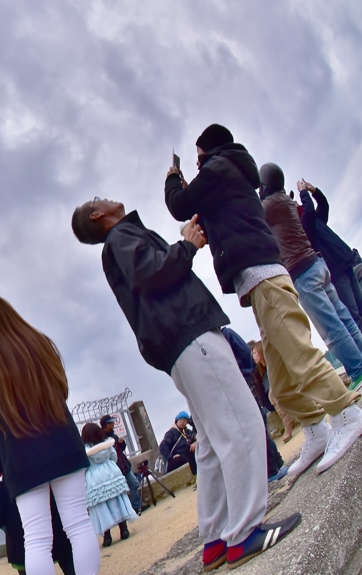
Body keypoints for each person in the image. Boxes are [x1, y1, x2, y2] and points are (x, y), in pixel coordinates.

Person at [70, 191, 299, 571]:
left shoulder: (118, 242)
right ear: (97, 215)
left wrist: (182, 243)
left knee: (210, 441)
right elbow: (152, 273)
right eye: (99, 198)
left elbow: (149, 273)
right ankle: (243, 534)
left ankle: (215, 539)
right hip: (191, 335)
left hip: (180, 345)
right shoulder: (120, 239)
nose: (107, 196)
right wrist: (187, 246)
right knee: (240, 424)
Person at [164, 124, 362, 480]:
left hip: (265, 275)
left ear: (209, 151)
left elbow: (180, 203)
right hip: (257, 279)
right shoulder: (229, 176)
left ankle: (346, 414)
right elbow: (211, 217)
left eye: (198, 156)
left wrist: (173, 177)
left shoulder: (220, 168)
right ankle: (315, 429)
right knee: (281, 380)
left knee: (300, 355)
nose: (196, 164)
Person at [0, 295, 98, 575]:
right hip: (60, 434)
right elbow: (62, 389)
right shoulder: (38, 340)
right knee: (78, 524)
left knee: (36, 538)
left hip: (20, 450)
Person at [258, 162, 362, 384]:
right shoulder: (285, 200)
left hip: (303, 274)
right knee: (346, 319)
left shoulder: (270, 205)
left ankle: (358, 370)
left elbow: (250, 217)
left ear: (265, 185)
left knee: (331, 330)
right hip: (317, 265)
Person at [0, 445, 76, 575]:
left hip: (15, 490)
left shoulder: (1, 427)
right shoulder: (40, 426)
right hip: (44, 479)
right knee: (62, 546)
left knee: (24, 548)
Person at [298, 180, 362, 351]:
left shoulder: (316, 220)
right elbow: (309, 211)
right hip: (337, 274)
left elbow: (323, 204)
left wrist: (314, 190)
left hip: (347, 264)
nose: (298, 204)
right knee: (354, 315)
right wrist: (303, 192)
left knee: (360, 308)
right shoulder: (304, 227)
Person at [220, 328, 286, 482]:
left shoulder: (223, 336)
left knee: (256, 428)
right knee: (258, 426)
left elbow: (245, 354)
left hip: (236, 386)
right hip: (242, 382)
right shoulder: (225, 335)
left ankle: (271, 470)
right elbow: (245, 353)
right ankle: (276, 464)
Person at [80, 423, 137, 548]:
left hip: (94, 476)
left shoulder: (84, 450)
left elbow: (84, 466)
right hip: (111, 471)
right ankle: (124, 529)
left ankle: (107, 537)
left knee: (101, 505)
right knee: (118, 500)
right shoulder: (107, 443)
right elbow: (114, 457)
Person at [251, 340, 297, 443]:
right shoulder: (262, 371)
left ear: (261, 351)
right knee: (272, 394)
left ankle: (287, 422)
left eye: (254, 353)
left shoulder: (272, 365)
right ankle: (288, 421)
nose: (253, 356)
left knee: (272, 394)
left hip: (287, 385)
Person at [98, 415, 139, 513]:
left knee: (134, 484)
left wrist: (121, 443)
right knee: (123, 490)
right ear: (107, 425)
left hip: (123, 465)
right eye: (111, 423)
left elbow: (120, 450)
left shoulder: (113, 435)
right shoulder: (102, 438)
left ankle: (136, 507)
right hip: (115, 468)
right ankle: (132, 509)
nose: (113, 424)